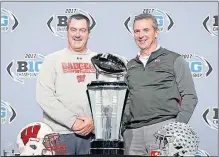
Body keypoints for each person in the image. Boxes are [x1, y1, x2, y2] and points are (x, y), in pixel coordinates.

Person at [122, 13, 198, 156]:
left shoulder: (174, 59)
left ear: (156, 32)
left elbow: (189, 96)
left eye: (146, 30)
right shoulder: (130, 66)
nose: (141, 35)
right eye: (137, 31)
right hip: (132, 135)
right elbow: (127, 101)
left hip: (163, 130)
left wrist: (175, 129)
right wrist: (122, 129)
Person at [36, 13, 97, 155]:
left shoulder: (98, 61)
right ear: (67, 32)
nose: (77, 34)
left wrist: (94, 121)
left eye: (82, 30)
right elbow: (44, 97)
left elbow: (106, 97)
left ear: (89, 34)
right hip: (58, 134)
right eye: (73, 29)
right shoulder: (52, 60)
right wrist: (72, 122)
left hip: (91, 134)